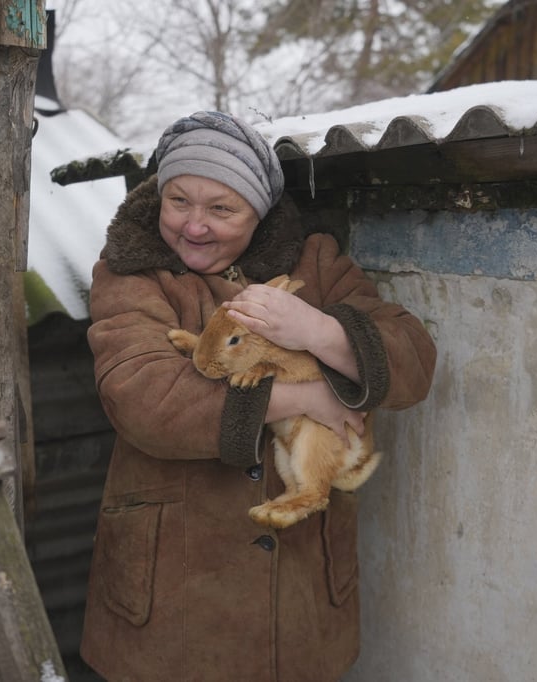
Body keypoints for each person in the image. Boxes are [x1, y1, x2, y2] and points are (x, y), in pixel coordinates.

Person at [79, 110, 436, 682]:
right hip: (177, 580)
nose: (194, 227)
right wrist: (306, 398)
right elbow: (143, 398)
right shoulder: (133, 275)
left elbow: (413, 357)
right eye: (179, 201)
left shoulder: (313, 263)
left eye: (222, 209)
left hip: (299, 586)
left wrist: (317, 331)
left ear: (260, 211)